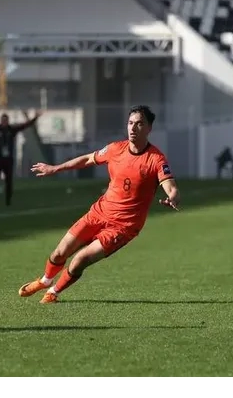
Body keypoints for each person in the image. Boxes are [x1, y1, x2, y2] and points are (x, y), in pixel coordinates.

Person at [18, 105, 180, 304]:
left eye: (139, 124)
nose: (133, 128)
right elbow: (88, 159)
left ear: (149, 128)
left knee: (80, 260)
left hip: (123, 227)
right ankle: (45, 280)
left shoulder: (156, 159)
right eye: (130, 123)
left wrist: (173, 197)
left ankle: (53, 292)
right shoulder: (115, 149)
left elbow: (170, 186)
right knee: (60, 252)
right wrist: (55, 168)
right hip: (98, 213)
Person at [0, 110, 41, 206]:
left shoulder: (11, 130)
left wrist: (35, 118)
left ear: (8, 121)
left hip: (8, 159)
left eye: (6, 120)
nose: (4, 122)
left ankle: (8, 200)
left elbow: (24, 126)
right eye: (3, 120)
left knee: (8, 180)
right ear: (1, 121)